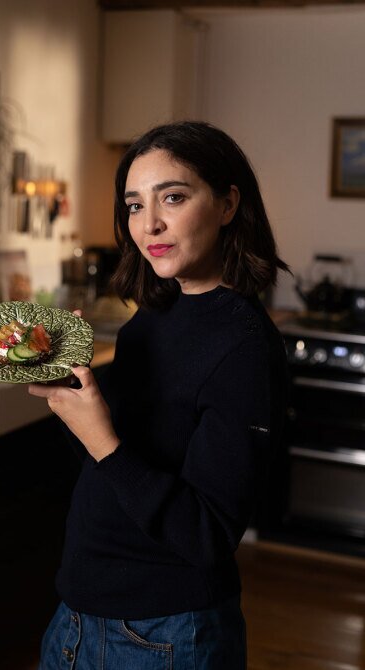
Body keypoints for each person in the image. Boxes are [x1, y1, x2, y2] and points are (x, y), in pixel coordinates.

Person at [29, 120, 292, 670]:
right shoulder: (151, 319)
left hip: (164, 634)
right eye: (133, 205)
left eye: (172, 197)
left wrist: (102, 438)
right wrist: (70, 397)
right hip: (77, 613)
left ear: (226, 204)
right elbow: (113, 466)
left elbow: (207, 535)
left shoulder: (244, 348)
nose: (149, 224)